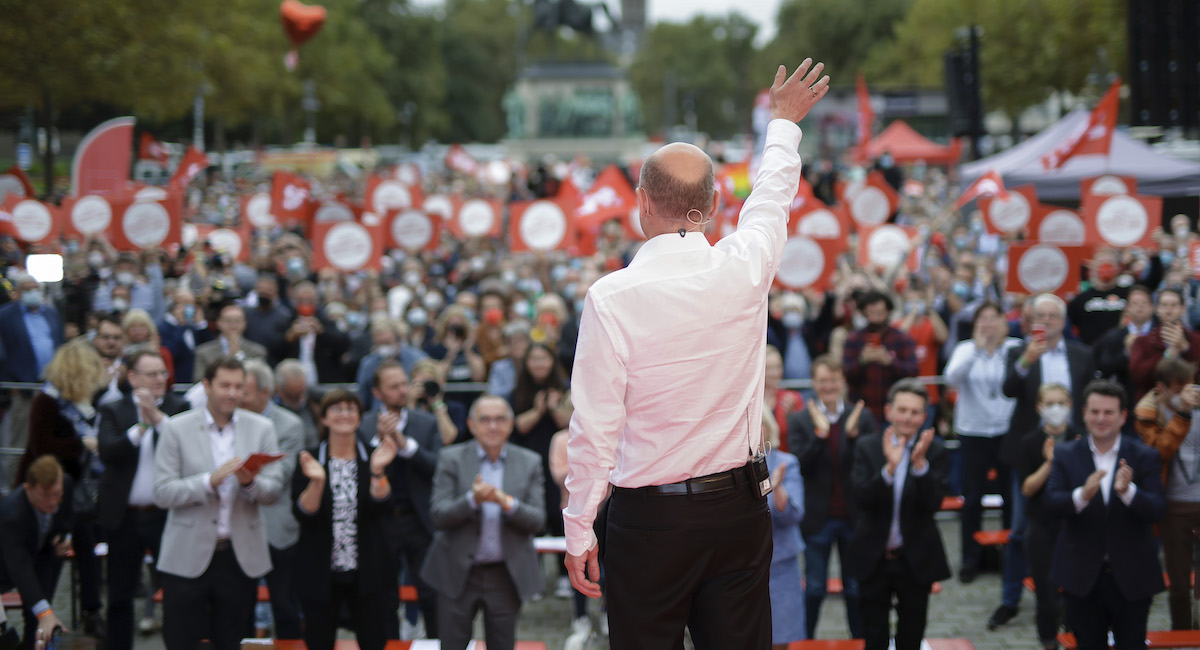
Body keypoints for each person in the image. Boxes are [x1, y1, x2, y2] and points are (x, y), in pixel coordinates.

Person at [564, 60, 830, 649]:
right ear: (711, 206)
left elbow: (595, 427)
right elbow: (771, 197)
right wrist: (782, 123)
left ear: (642, 202)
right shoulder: (744, 268)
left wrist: (579, 526)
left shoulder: (611, 298)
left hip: (650, 522)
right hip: (737, 511)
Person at [153, 356, 286, 650]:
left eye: (238, 386)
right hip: (186, 554)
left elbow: (274, 491)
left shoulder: (262, 427)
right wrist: (208, 482)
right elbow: (161, 492)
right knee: (180, 640)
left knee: (234, 642)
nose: (232, 393)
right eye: (224, 385)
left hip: (239, 558)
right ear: (206, 386)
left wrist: (249, 482)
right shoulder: (177, 428)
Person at [992, 293, 1095, 630]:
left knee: (1072, 524)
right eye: (1042, 316)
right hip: (1028, 448)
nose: (1047, 322)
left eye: (1053, 316)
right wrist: (1024, 362)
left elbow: (1088, 400)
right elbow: (1007, 389)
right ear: (1031, 320)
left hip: (1072, 448)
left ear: (1064, 322)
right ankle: (1009, 600)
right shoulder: (1016, 351)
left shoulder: (1081, 354)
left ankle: (1065, 598)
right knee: (1021, 531)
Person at [1045, 380, 1166, 650]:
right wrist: (1082, 495)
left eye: (1109, 412)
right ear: (1084, 413)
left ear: (1123, 416)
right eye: (1095, 412)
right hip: (1082, 576)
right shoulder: (1065, 454)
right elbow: (1051, 505)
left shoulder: (1144, 455)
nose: (1101, 419)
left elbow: (1158, 510)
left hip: (1132, 576)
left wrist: (1129, 492)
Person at [421, 394, 547, 650]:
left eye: (500, 419)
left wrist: (506, 503)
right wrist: (472, 500)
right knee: (452, 645)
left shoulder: (529, 461)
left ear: (511, 424)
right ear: (471, 425)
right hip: (456, 571)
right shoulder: (451, 458)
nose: (493, 426)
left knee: (502, 644)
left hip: (505, 573)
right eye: (485, 419)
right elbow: (438, 515)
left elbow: (538, 521)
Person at [96, 349, 191, 650]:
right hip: (124, 516)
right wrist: (142, 427)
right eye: (151, 374)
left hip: (167, 516)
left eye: (162, 373)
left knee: (177, 591)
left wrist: (159, 420)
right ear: (133, 377)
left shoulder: (180, 407)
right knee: (120, 595)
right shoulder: (114, 409)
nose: (160, 380)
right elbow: (108, 451)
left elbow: (188, 452)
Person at [292, 390, 401, 650]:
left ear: (360, 418)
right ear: (325, 418)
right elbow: (304, 515)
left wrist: (377, 472)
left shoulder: (377, 455)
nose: (344, 414)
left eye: (351, 409)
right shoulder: (308, 458)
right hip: (320, 570)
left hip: (369, 569)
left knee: (374, 641)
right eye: (337, 408)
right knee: (318, 642)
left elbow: (383, 507)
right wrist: (317, 482)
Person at [15, 339, 108, 639]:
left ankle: (91, 611)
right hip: (48, 492)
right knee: (50, 554)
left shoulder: (86, 403)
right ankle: (40, 620)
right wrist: (80, 444)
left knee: (87, 548)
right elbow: (42, 447)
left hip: (78, 492)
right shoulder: (48, 401)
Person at [848, 380, 950, 650]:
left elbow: (934, 504)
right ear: (888, 411)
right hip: (874, 557)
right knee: (874, 634)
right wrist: (889, 470)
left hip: (914, 559)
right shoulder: (867, 447)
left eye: (915, 412)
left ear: (924, 416)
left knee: (911, 636)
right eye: (902, 410)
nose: (907, 417)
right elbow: (861, 499)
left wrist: (919, 467)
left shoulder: (935, 451)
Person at [787, 355, 873, 639]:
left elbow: (870, 463)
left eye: (834, 379)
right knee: (813, 588)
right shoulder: (800, 419)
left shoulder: (861, 416)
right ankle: (804, 639)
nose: (829, 385)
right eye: (823, 380)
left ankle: (861, 640)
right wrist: (820, 435)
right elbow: (800, 464)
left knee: (854, 589)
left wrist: (853, 438)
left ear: (843, 382)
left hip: (853, 517)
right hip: (818, 519)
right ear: (814, 383)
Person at [358, 360, 443, 639]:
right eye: (393, 386)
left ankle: (435, 644)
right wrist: (378, 443)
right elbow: (359, 470)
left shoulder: (426, 422)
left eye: (404, 384)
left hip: (418, 521)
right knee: (384, 597)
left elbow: (438, 467)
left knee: (430, 593)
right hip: (380, 521)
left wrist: (404, 445)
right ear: (377, 392)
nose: (402, 391)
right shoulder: (364, 424)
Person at [942, 302, 1019, 583]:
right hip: (973, 431)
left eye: (994, 319)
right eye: (982, 320)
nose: (989, 325)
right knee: (972, 498)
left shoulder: (1014, 347)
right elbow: (951, 378)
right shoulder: (965, 349)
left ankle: (1013, 555)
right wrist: (976, 349)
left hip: (1007, 431)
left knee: (1011, 498)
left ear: (1004, 321)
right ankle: (970, 558)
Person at [241, 359, 308, 640]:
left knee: (285, 605)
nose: (236, 397)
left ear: (264, 392)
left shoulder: (289, 424)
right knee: (239, 607)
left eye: (243, 391)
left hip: (279, 529)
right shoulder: (231, 421)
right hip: (238, 526)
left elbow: (282, 476)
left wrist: (246, 472)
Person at [1134, 357, 1200, 629]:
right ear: (1162, 389)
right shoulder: (1149, 412)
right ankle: (1183, 635)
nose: (1188, 393)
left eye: (1191, 386)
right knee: (1179, 583)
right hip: (1174, 507)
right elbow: (1160, 450)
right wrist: (1183, 414)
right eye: (1179, 389)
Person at [1017, 383, 1082, 650]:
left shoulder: (1080, 438)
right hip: (1042, 526)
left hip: (1075, 526)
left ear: (1070, 405)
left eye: (1061, 403)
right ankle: (1048, 641)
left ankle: (1077, 636)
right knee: (1045, 592)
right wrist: (1050, 462)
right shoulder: (1030, 442)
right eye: (1050, 403)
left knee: (1077, 591)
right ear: (1039, 408)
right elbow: (1027, 488)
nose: (1056, 409)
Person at [0, 456, 73, 650]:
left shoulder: (65, 484)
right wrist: (45, 614)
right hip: (7, 569)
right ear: (27, 489)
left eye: (56, 494)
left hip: (43, 558)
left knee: (38, 618)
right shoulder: (11, 514)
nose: (52, 502)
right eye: (45, 496)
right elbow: (20, 566)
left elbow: (67, 517)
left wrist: (64, 536)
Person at [0, 272, 62, 461]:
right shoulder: (5, 315)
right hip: (23, 388)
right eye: (27, 290)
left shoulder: (51, 312)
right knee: (20, 442)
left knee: (51, 436)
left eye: (35, 289)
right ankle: (15, 487)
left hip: (52, 387)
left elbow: (60, 343)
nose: (32, 293)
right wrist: (11, 386)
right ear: (17, 293)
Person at [762, 410, 805, 649]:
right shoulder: (732, 466)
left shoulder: (786, 463)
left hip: (780, 563)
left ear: (769, 429)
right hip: (741, 563)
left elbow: (794, 515)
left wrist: (777, 490)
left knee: (780, 635)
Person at [842, 290, 919, 424]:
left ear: (888, 311)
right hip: (861, 409)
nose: (876, 317)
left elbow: (913, 371)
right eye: (871, 313)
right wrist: (862, 360)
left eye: (880, 312)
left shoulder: (901, 338)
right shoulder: (854, 339)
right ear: (864, 313)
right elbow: (846, 372)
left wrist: (890, 362)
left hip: (893, 410)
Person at [1129, 288, 1200, 403]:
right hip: (1153, 405)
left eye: (1174, 305)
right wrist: (1167, 355)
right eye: (1164, 305)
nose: (1169, 309)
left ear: (1183, 309)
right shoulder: (1142, 341)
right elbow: (1138, 376)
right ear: (1157, 310)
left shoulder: (1196, 339)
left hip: (1190, 404)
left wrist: (1186, 349)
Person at [275, 281, 350, 384]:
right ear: (295, 301)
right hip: (293, 380)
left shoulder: (326, 321)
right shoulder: (285, 322)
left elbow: (344, 344)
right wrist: (289, 337)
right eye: (302, 301)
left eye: (309, 301)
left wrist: (322, 332)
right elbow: (273, 351)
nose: (306, 305)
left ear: (316, 301)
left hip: (323, 380)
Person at [1092, 285, 1154, 407]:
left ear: (1152, 307)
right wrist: (1126, 352)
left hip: (1153, 396)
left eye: (1144, 303)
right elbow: (1105, 368)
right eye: (1135, 303)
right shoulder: (1114, 336)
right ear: (1127, 309)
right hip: (1125, 398)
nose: (1139, 307)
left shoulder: (1160, 334)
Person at [193, 304, 268, 381]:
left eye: (237, 321)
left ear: (245, 323)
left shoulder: (258, 352)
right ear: (218, 323)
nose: (233, 325)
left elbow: (259, 380)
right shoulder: (203, 352)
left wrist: (238, 355)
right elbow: (199, 380)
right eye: (228, 321)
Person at [764, 345, 803, 452]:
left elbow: (800, 437)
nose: (775, 373)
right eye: (768, 368)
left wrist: (791, 418)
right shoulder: (752, 401)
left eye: (778, 367)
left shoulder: (793, 398)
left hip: (785, 461)